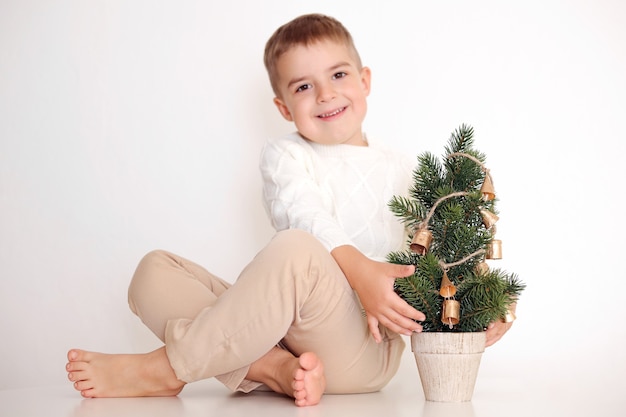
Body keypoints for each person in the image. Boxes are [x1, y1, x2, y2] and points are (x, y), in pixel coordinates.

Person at [66, 13, 514, 407]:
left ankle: (168, 368)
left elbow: (447, 252)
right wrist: (358, 269)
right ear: (283, 106)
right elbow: (303, 213)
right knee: (153, 270)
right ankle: (273, 368)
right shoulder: (285, 156)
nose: (325, 94)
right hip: (281, 331)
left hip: (363, 350)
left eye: (339, 75)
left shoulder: (408, 170)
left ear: (365, 81)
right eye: (304, 86)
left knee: (295, 252)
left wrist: (487, 301)